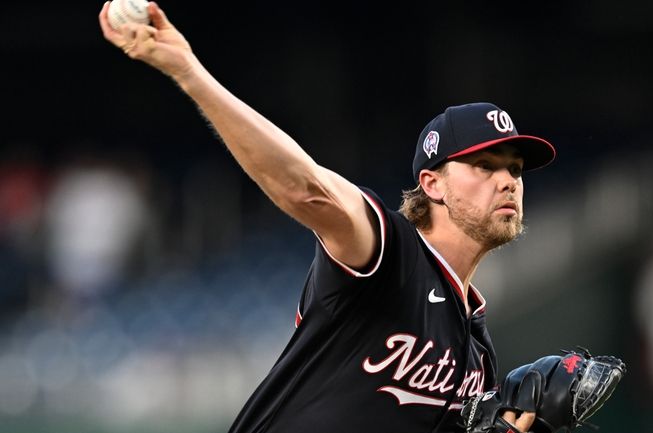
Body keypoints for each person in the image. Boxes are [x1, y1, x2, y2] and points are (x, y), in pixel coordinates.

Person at [98, 3, 556, 432]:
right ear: (432, 184)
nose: (508, 181)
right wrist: (189, 71)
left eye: (515, 169)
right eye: (484, 166)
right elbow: (308, 190)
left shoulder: (478, 356)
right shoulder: (389, 251)